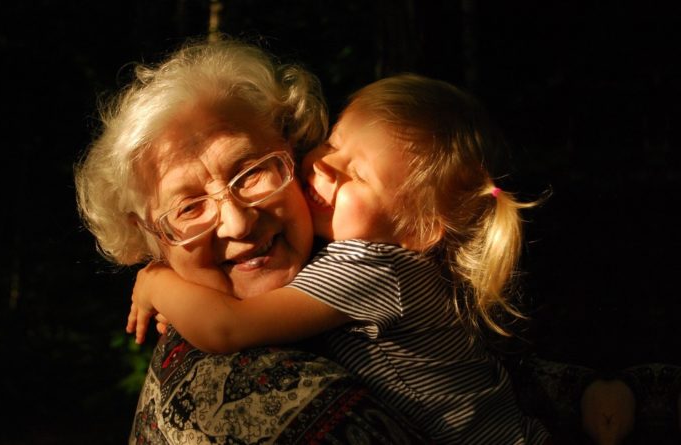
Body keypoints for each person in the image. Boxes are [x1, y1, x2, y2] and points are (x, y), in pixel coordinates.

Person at [130, 74, 552, 444]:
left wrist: (156, 282)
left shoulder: (372, 267)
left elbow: (226, 327)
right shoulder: (378, 258)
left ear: (418, 230)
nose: (327, 167)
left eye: (359, 176)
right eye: (332, 143)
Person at [74, 37, 431, 444]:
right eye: (189, 208)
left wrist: (159, 283)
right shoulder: (249, 396)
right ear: (153, 240)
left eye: (251, 173)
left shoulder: (372, 255)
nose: (239, 223)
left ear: (294, 155)